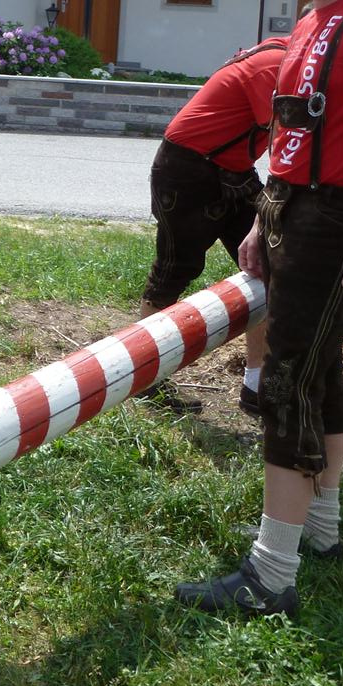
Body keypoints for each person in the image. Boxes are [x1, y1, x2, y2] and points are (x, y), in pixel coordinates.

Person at [176, 0, 343, 618]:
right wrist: (267, 216)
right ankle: (323, 530)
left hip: (335, 219)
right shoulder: (308, 23)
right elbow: (292, 133)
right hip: (296, 210)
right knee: (322, 374)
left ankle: (271, 576)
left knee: (287, 380)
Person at [140, 37, 287, 415]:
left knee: (268, 263)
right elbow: (287, 140)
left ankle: (256, 386)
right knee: (174, 270)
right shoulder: (274, 66)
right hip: (187, 168)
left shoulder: (290, 63)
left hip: (232, 170)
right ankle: (145, 379)